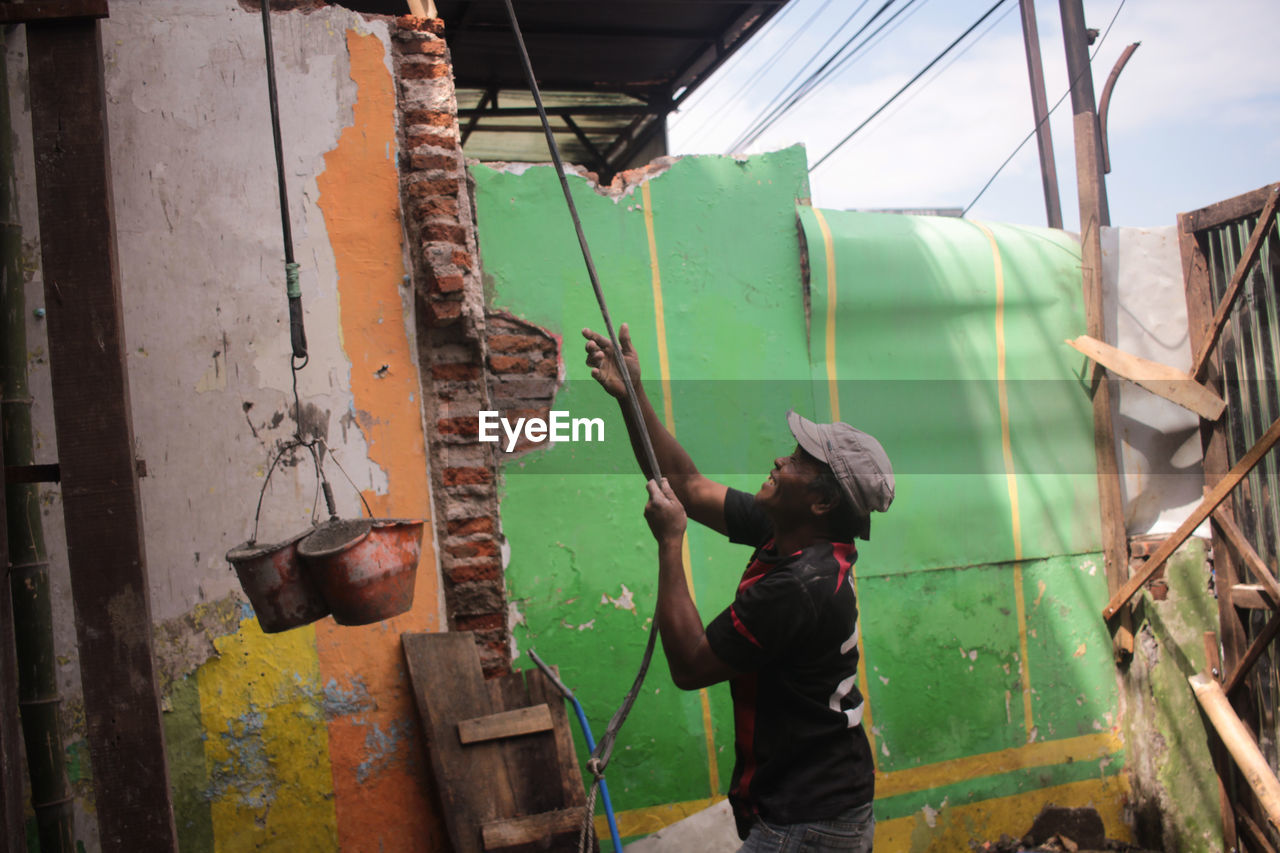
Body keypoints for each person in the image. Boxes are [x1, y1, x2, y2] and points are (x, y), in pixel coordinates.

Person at [583, 324, 894, 853]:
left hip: (808, 820)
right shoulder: (791, 533)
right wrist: (632, 395)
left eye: (798, 461)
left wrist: (670, 543)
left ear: (821, 504)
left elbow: (689, 665)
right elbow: (686, 485)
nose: (780, 459)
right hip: (815, 805)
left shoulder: (801, 585)